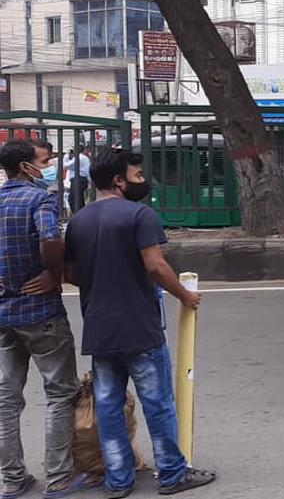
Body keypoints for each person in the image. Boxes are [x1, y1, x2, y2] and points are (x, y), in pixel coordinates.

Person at [63, 148, 215, 497]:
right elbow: (156, 266)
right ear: (119, 180)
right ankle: (173, 474)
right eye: (138, 176)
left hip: (99, 328)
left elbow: (71, 273)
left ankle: (119, 480)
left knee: (109, 405)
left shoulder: (79, 221)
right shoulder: (139, 215)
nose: (143, 181)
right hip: (139, 327)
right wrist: (184, 295)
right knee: (158, 402)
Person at [0, 139, 100, 499]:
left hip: (4, 314)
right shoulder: (39, 198)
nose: (48, 166)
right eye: (44, 160)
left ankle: (12, 478)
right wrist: (53, 275)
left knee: (7, 399)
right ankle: (58, 477)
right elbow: (49, 236)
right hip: (40, 311)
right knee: (60, 392)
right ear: (27, 167)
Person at [63, 149, 90, 214]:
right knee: (78, 200)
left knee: (73, 200)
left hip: (78, 180)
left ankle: (79, 215)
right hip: (81, 179)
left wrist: (66, 156)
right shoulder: (83, 158)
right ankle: (81, 215)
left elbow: (66, 165)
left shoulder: (79, 158)